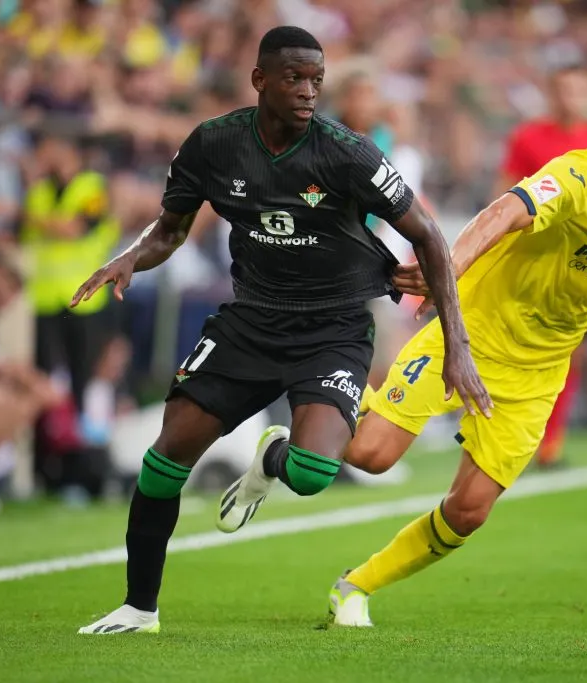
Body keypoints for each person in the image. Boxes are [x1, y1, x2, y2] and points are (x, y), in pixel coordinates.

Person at [71, 26, 490, 635]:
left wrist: (458, 348)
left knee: (313, 473)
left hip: (335, 327)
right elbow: (170, 228)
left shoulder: (346, 152)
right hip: (252, 320)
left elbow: (427, 234)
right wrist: (130, 256)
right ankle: (140, 608)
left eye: (317, 80)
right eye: (294, 78)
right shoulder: (213, 145)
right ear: (260, 80)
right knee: (165, 459)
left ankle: (273, 457)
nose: (308, 91)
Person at [325, 75, 587, 627]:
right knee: (370, 456)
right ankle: (301, 420)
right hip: (473, 331)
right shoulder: (573, 175)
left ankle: (354, 586)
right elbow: (501, 214)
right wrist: (445, 269)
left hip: (540, 369)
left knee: (468, 512)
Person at [495, 62, 587, 469]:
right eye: (562, 90)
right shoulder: (527, 138)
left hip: (573, 268)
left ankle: (550, 443)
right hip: (526, 261)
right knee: (507, 348)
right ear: (550, 92)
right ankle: (499, 433)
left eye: (577, 90)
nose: (569, 98)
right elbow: (503, 194)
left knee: (569, 354)